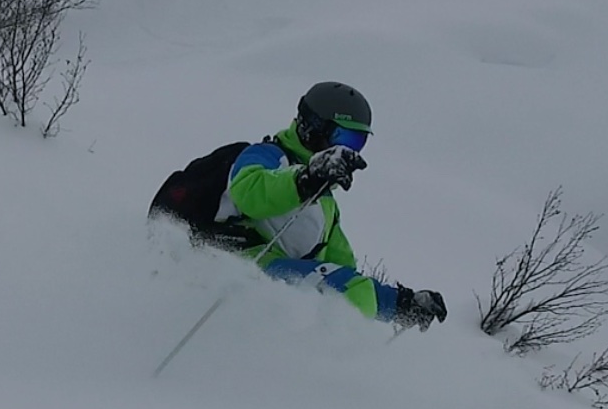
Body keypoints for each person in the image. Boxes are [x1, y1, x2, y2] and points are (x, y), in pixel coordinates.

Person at [149, 81, 447, 330]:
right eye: (342, 137)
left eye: (357, 143)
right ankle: (329, 367)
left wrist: (401, 303)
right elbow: (249, 192)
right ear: (313, 127)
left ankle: (312, 368)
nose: (346, 150)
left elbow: (343, 271)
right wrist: (305, 179)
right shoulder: (267, 156)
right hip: (234, 262)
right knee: (343, 291)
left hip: (277, 275)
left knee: (344, 293)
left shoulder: (326, 202)